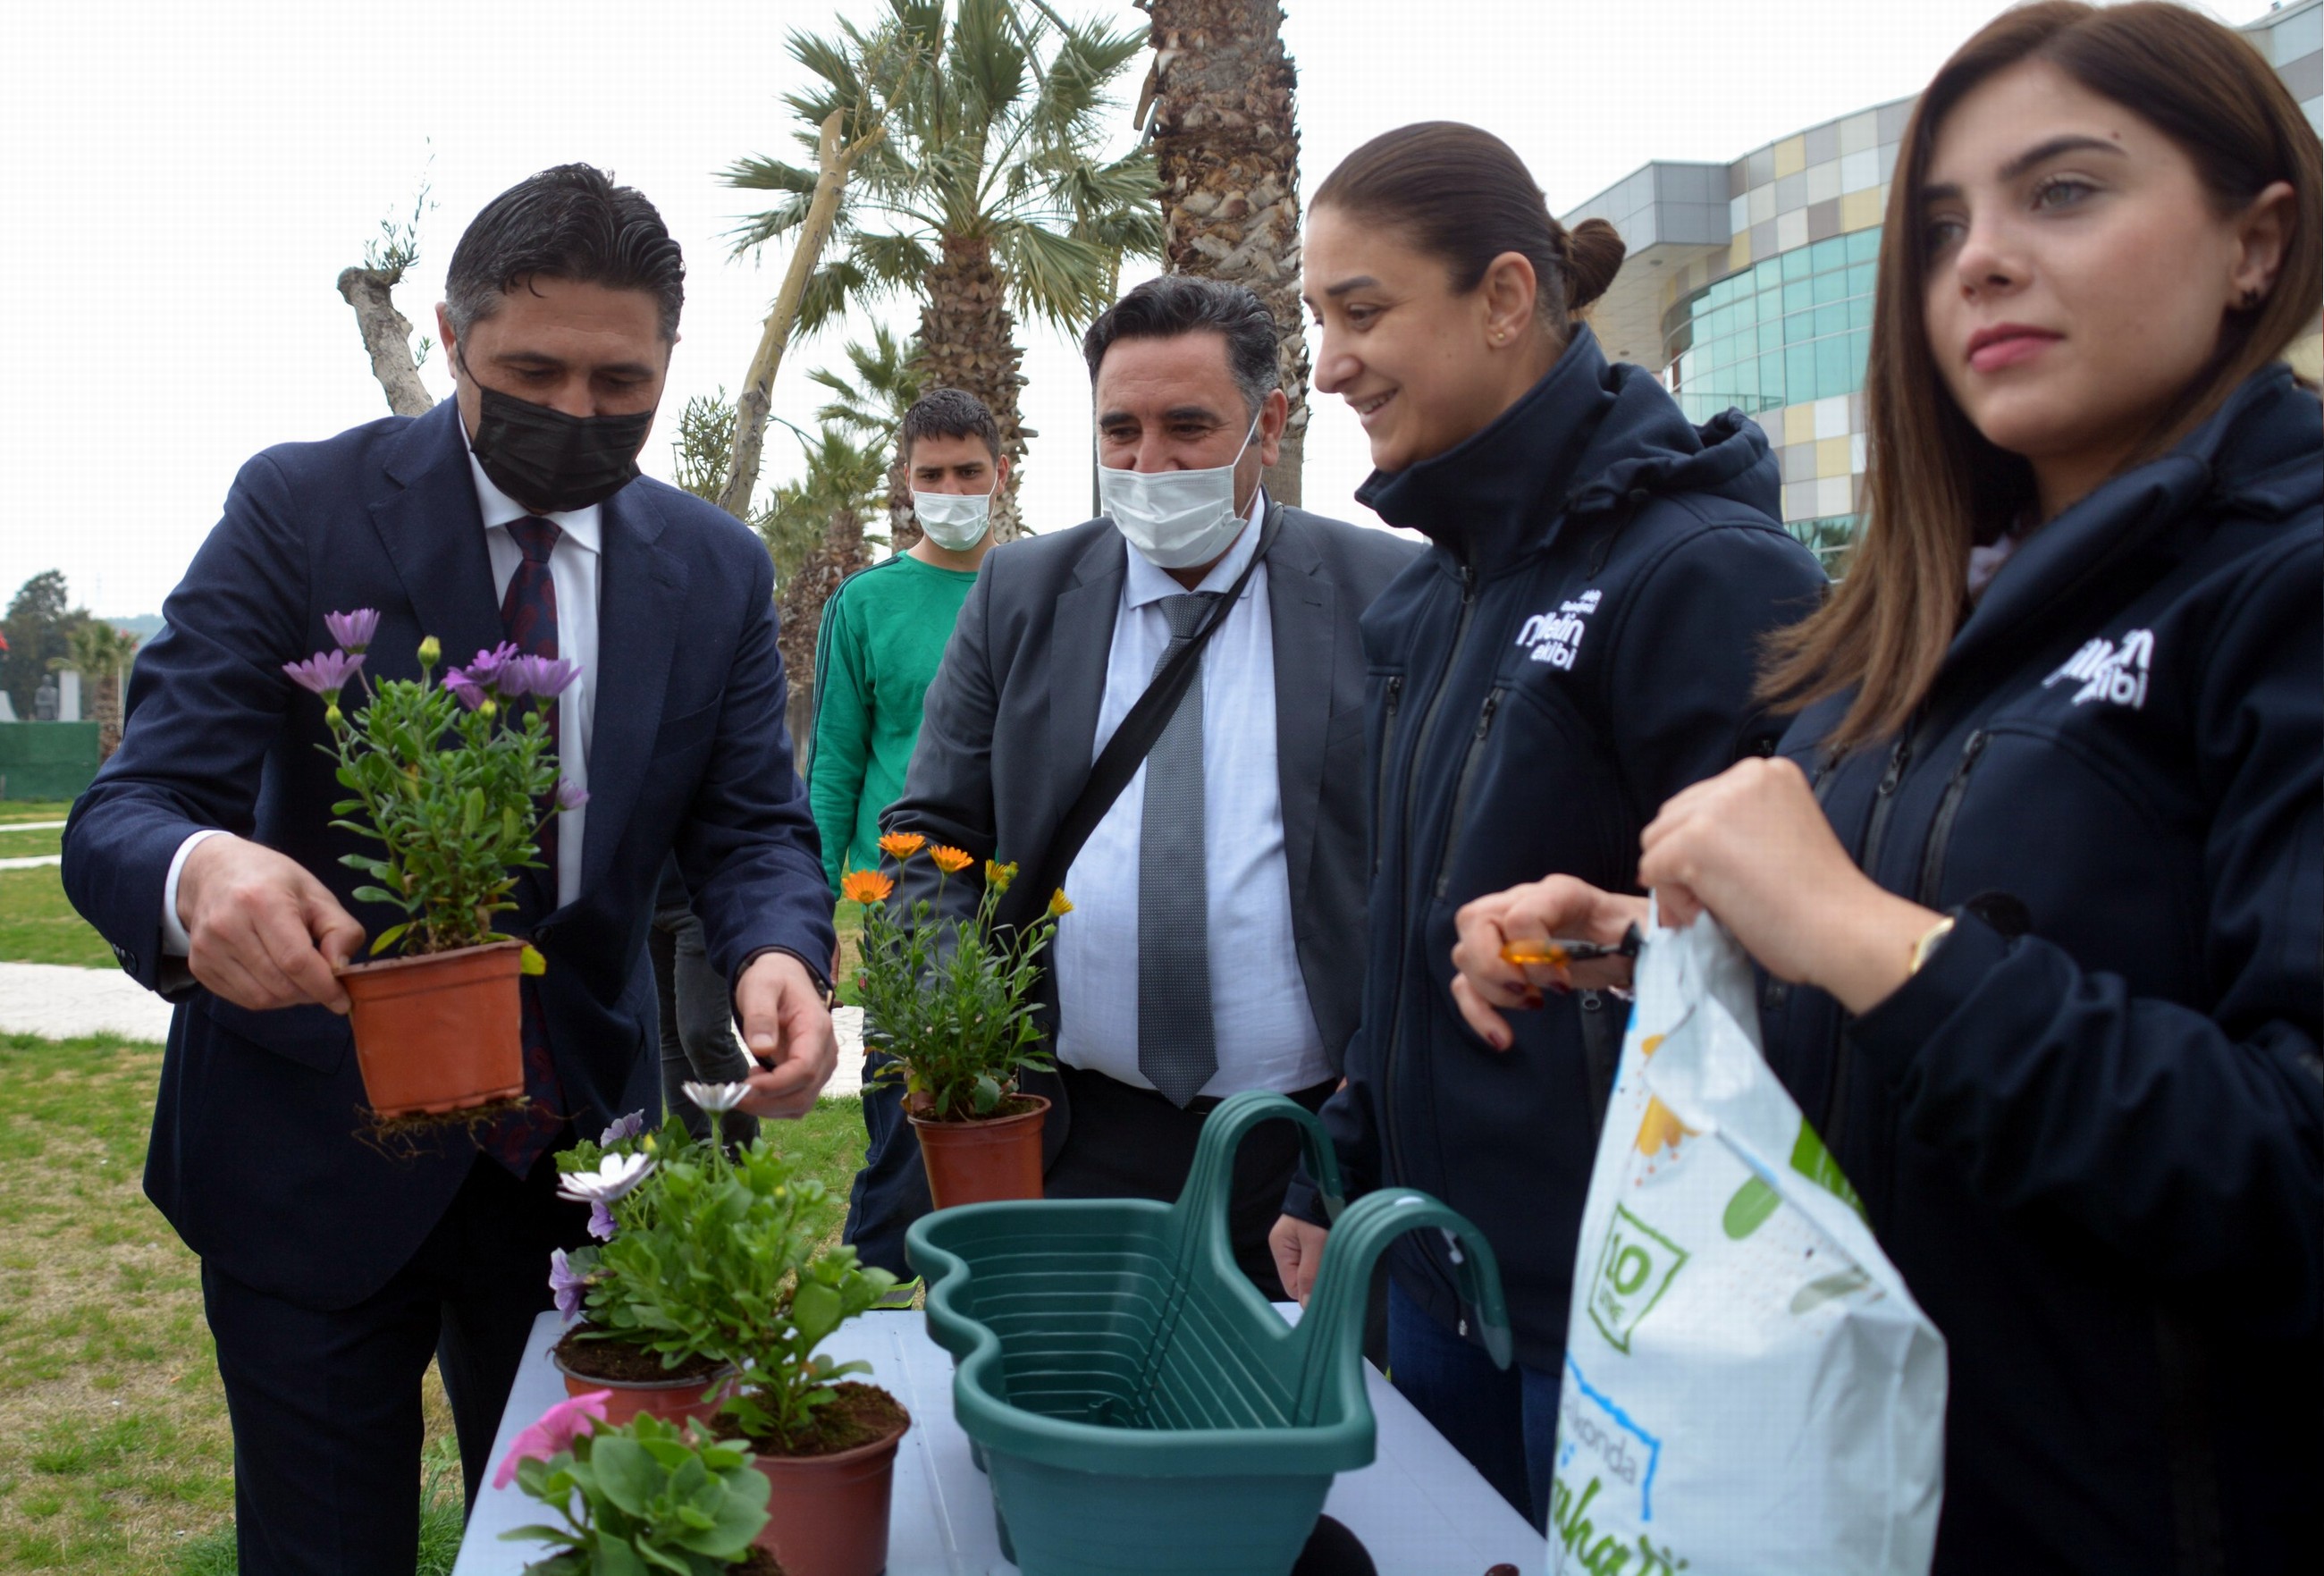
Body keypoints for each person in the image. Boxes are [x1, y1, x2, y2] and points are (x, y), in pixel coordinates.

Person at [1449, 4, 2320, 1568]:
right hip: (1845, 1504)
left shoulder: (2284, 590)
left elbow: (2286, 1173)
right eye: (1941, 225)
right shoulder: (1910, 627)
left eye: (2064, 192)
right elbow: (1904, 997)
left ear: (2257, 240)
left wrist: (1853, 926)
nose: (1978, 260)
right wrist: (1651, 938)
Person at [61, 164, 839, 1574]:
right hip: (307, 1150)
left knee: (578, 1542)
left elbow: (750, 826)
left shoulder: (714, 566)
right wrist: (198, 869)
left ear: (671, 363)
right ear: (452, 332)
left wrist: (778, 946)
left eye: (623, 380)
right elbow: (133, 803)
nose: (578, 411)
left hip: (573, 1162)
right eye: (532, 370)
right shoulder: (303, 507)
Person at [1267, 122, 1827, 1528]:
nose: (1327, 361)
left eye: (1362, 309)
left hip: (1626, 1317)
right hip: (1439, 1280)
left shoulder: (1702, 570)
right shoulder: (1438, 591)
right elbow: (1410, 926)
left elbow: (1804, 964)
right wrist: (1345, 1171)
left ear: (1507, 298)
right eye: (1316, 318)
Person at [863, 274, 1419, 1295]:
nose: (1147, 462)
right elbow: (928, 832)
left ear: (1270, 424)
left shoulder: (1382, 594)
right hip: (1066, 1131)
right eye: (1118, 429)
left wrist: (1363, 1117)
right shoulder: (1023, 594)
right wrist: (953, 1032)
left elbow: (1430, 870)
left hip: (1302, 1147)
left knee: (1279, 1436)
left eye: (1188, 426)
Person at [817, 387, 1008, 1282]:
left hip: (1023, 891)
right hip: (900, 896)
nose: (951, 487)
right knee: (904, 1106)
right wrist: (808, 910)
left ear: (1000, 473)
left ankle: (998, 1278)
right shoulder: (865, 602)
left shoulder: (1041, 587)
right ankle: (881, 1280)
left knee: (1014, 1099)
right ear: (905, 481)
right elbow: (836, 761)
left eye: (967, 469)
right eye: (931, 472)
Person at [651, 855, 760, 1147]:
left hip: (705, 897)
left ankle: (746, 1157)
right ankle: (692, 1156)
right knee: (669, 1032)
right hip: (646, 895)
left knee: (704, 1033)